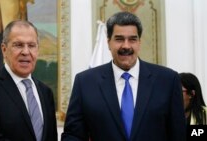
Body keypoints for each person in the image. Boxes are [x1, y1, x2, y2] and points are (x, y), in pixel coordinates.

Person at [61, 11, 186, 141]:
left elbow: (178, 134)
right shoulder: (85, 82)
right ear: (108, 42)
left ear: (139, 42)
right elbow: (73, 135)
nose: (126, 46)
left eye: (132, 39)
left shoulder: (167, 80)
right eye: (119, 39)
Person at [0, 20, 57, 141]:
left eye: (31, 45)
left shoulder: (46, 92)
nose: (26, 52)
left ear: (37, 50)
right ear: (4, 49)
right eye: (18, 45)